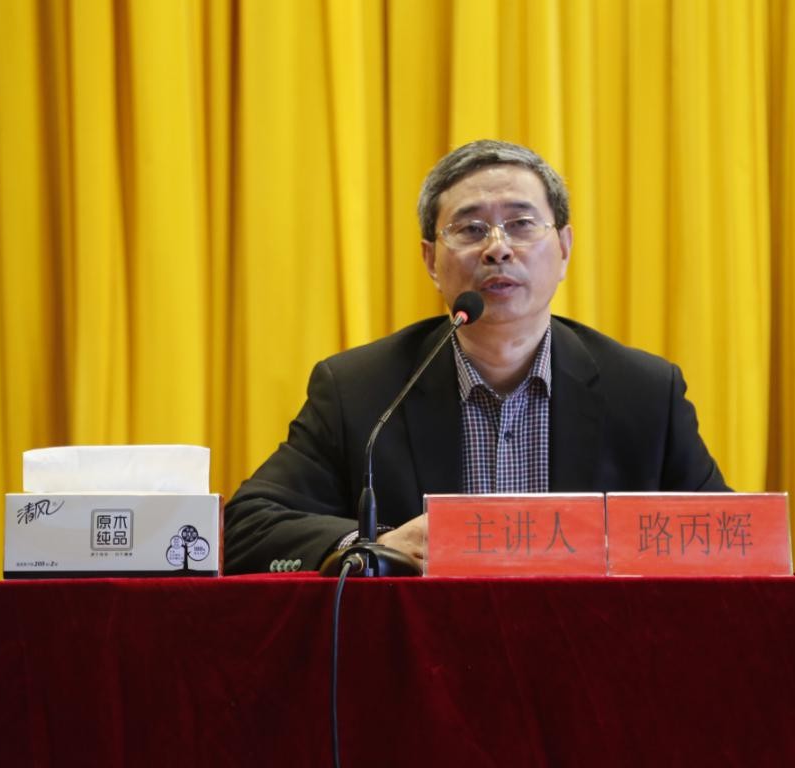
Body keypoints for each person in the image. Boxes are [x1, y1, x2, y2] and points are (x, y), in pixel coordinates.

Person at [224, 139, 729, 574]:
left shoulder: (643, 392)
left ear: (564, 248)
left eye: (521, 224)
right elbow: (247, 526)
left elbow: (726, 542)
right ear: (430, 260)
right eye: (470, 230)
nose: (497, 248)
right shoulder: (360, 390)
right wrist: (373, 545)